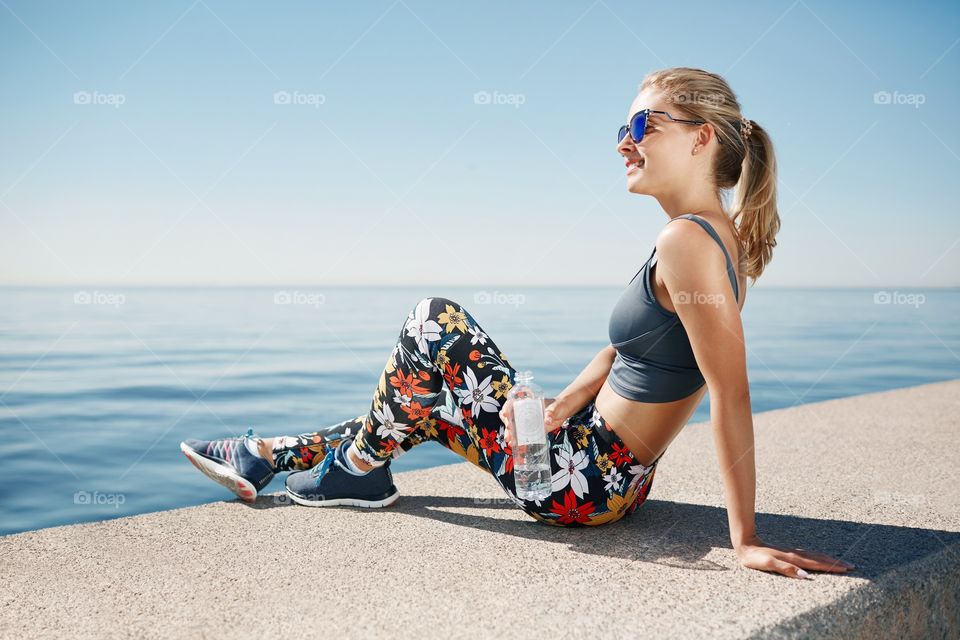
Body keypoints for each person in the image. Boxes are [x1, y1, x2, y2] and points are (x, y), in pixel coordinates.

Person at [180, 67, 856, 580]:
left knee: (432, 322)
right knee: (422, 403)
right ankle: (272, 458)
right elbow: (638, 343)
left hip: (588, 481)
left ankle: (352, 467)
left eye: (643, 126)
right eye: (623, 130)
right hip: (599, 463)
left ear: (701, 137)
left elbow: (730, 390)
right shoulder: (704, 235)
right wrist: (567, 401)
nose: (625, 143)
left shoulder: (690, 242)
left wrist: (744, 542)